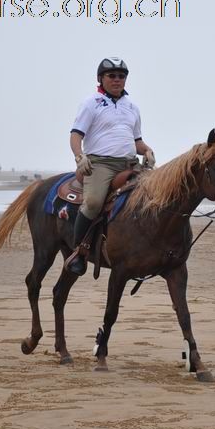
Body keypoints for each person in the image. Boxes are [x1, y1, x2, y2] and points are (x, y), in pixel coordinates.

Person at [68, 57, 155, 275]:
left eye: (121, 76)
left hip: (129, 163)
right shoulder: (91, 103)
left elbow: (136, 141)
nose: (117, 80)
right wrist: (80, 157)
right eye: (112, 76)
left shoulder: (132, 107)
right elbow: (76, 135)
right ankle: (79, 252)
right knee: (94, 202)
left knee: (154, 197)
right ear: (101, 78)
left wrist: (147, 151)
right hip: (100, 164)